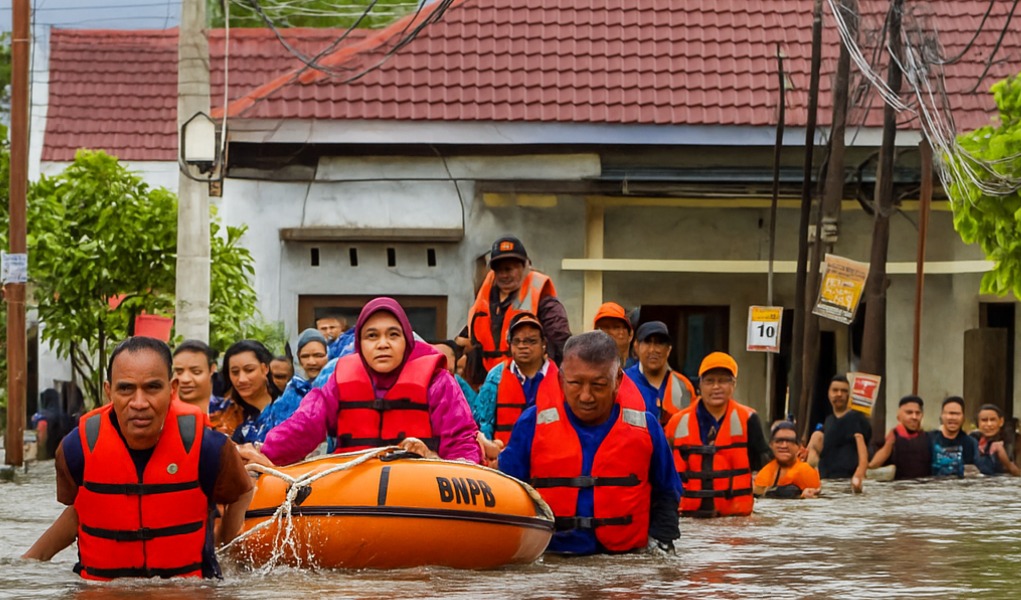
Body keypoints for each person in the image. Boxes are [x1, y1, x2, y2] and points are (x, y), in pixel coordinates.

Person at [22, 337, 253, 580]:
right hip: (100, 591)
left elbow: (242, 491)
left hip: (186, 590)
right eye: (126, 389)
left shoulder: (210, 448)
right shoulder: (75, 449)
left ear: (172, 389)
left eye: (152, 388)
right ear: (109, 391)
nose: (139, 403)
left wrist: (224, 547)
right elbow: (83, 507)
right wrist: (29, 563)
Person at [238, 297, 482, 466]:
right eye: (372, 336)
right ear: (360, 344)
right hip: (355, 491)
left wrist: (438, 461)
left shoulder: (438, 381)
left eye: (393, 335)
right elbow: (304, 426)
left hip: (421, 489)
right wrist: (264, 453)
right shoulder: (338, 381)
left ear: (407, 340)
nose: (383, 344)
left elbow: (461, 442)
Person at [498, 331, 681, 555]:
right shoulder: (531, 424)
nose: (586, 396)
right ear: (561, 379)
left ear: (618, 380)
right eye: (575, 383)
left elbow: (668, 493)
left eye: (598, 385)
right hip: (553, 555)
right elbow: (507, 493)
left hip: (626, 558)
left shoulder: (646, 427)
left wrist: (662, 545)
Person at [665, 351, 771, 518]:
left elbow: (764, 464)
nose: (716, 387)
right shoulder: (677, 422)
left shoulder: (749, 419)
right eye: (710, 381)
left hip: (735, 519)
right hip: (688, 517)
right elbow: (663, 468)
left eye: (723, 381)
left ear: (733, 384)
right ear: (700, 385)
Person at [465, 235, 571, 371]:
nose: (504, 275)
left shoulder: (545, 302)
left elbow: (561, 343)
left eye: (509, 269)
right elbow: (469, 334)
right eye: (499, 270)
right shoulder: (486, 298)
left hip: (527, 377)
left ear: (525, 267)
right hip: (487, 379)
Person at [473, 313, 561, 466]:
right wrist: (490, 451)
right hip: (504, 463)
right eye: (517, 341)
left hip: (550, 461)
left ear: (544, 344)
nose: (522, 346)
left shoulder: (561, 378)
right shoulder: (496, 376)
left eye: (530, 341)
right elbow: (483, 421)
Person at [213, 340, 291, 444]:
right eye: (235, 372)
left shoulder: (291, 408)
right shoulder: (228, 417)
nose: (241, 379)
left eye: (249, 370)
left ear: (265, 368)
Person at [806, 375, 869, 492]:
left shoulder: (856, 418)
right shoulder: (828, 421)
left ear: (849, 395)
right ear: (829, 393)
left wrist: (859, 475)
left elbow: (862, 451)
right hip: (827, 480)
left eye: (844, 391)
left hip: (848, 481)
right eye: (835, 390)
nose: (839, 394)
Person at [624, 321, 695, 426]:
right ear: (636, 346)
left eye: (659, 343)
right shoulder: (623, 381)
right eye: (647, 342)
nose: (653, 350)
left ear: (668, 350)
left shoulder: (683, 385)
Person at [868, 395, 931, 480]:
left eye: (917, 413)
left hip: (924, 486)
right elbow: (873, 465)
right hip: (899, 486)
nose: (914, 417)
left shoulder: (928, 437)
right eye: (909, 413)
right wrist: (889, 443)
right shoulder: (892, 436)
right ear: (899, 416)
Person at [754, 422, 821, 499]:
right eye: (779, 441)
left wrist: (803, 498)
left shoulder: (806, 472)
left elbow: (818, 499)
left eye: (790, 441)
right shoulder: (764, 473)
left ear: (798, 446)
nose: (784, 446)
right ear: (771, 445)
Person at [927, 396, 979, 478]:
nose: (953, 418)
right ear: (942, 416)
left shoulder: (971, 443)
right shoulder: (929, 439)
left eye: (957, 414)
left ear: (963, 417)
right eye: (950, 413)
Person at [172, 340, 223, 416]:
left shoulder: (228, 410)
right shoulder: (162, 411)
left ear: (212, 369)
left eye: (196, 372)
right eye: (179, 372)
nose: (185, 379)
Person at [971, 404, 1021, 476]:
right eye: (984, 420)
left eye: (993, 420)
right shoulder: (973, 439)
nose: (989, 424)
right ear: (977, 424)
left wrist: (1004, 457)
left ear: (1001, 422)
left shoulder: (1016, 440)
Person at [593, 301, 636, 369]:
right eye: (602, 328)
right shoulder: (587, 369)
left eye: (616, 327)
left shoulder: (643, 370)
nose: (609, 332)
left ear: (630, 334)